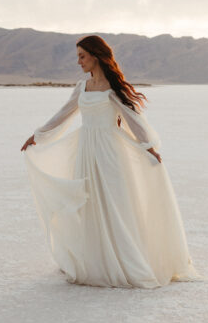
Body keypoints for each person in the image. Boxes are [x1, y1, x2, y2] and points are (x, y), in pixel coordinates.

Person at [21, 35, 198, 289]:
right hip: (86, 150)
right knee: (89, 204)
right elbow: (64, 114)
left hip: (110, 153)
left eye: (82, 56)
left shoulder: (113, 89)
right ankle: (95, 260)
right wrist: (38, 136)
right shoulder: (82, 86)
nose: (78, 61)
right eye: (78, 56)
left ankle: (124, 260)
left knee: (115, 204)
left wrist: (148, 148)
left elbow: (133, 118)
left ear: (95, 55)